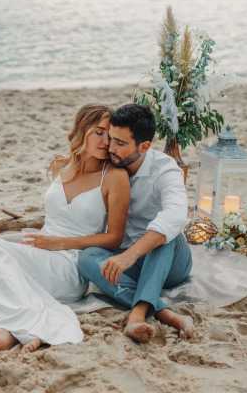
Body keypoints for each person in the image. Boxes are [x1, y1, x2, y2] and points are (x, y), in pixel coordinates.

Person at [0, 104, 130, 355]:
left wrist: (59, 244)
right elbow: (57, 217)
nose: (105, 142)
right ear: (82, 131)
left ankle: (14, 328)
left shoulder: (115, 177)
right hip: (40, 248)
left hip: (69, 265)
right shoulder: (60, 166)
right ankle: (5, 329)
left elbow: (114, 238)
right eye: (98, 132)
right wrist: (37, 244)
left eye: (110, 135)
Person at [77, 104, 194, 343]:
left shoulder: (165, 169)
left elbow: (175, 215)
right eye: (111, 139)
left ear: (144, 146)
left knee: (164, 233)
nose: (111, 148)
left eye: (120, 144)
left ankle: (137, 315)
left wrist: (130, 255)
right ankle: (163, 312)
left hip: (171, 262)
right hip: (129, 260)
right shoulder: (108, 164)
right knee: (87, 258)